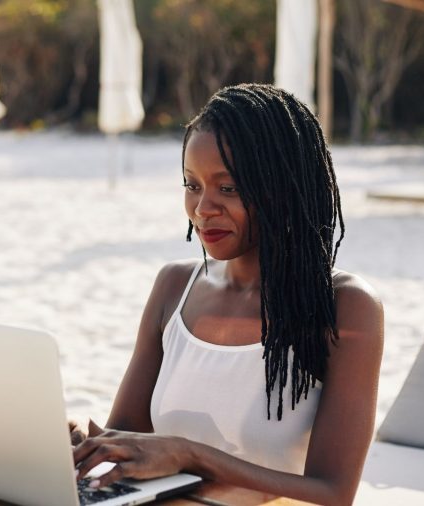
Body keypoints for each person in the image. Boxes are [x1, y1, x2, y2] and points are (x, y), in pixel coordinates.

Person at [69, 83, 384, 505]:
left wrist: (189, 454)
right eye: (192, 184)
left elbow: (332, 493)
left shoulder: (346, 307)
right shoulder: (174, 288)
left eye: (228, 188)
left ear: (283, 186)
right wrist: (77, 447)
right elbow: (124, 440)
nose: (203, 209)